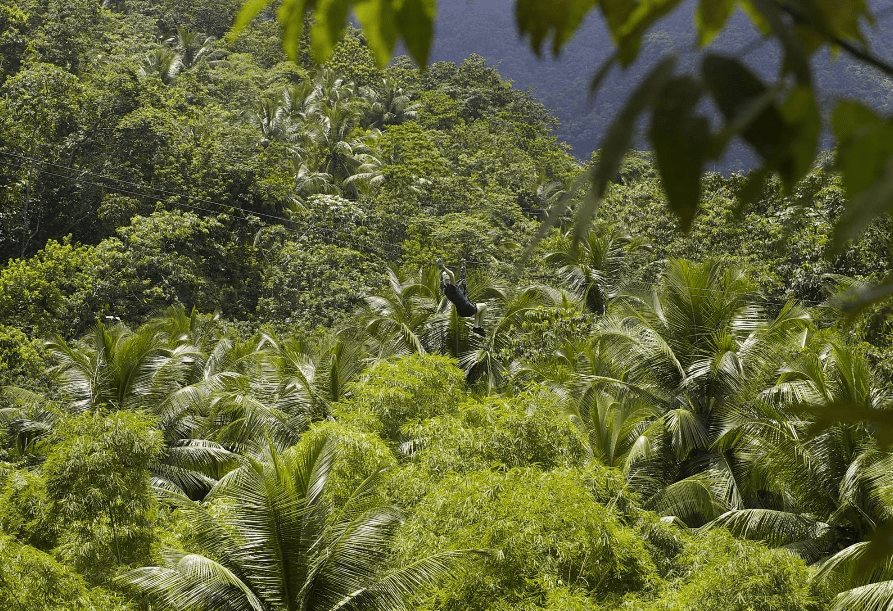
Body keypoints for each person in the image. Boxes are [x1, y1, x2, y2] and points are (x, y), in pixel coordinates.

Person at [437, 258, 486, 336]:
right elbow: (451, 275)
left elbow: (458, 282)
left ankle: (476, 327)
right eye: (446, 276)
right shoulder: (451, 288)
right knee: (484, 306)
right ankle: (479, 327)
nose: (447, 276)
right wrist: (443, 266)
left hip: (461, 312)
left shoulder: (445, 290)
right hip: (467, 308)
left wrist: (463, 266)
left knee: (478, 309)